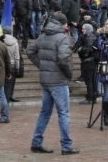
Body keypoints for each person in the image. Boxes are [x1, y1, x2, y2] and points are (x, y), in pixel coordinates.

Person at [27, 13, 80, 155]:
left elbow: (30, 51)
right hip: (58, 80)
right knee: (63, 113)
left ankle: (36, 142)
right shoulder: (63, 38)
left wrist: (43, 66)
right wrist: (69, 74)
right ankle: (66, 146)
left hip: (46, 80)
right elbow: (63, 59)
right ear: (64, 24)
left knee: (45, 112)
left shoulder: (43, 35)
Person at [75, 23, 97, 105]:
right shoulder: (91, 36)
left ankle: (90, 98)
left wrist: (81, 50)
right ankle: (93, 96)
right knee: (92, 80)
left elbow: (88, 49)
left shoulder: (89, 37)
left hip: (89, 61)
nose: (82, 30)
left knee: (89, 80)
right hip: (91, 61)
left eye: (84, 28)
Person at [2, 26, 21, 102]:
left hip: (3, 65)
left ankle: (3, 97)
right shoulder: (15, 43)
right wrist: (17, 67)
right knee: (11, 83)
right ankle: (10, 95)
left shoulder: (1, 41)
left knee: (3, 83)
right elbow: (17, 57)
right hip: (12, 65)